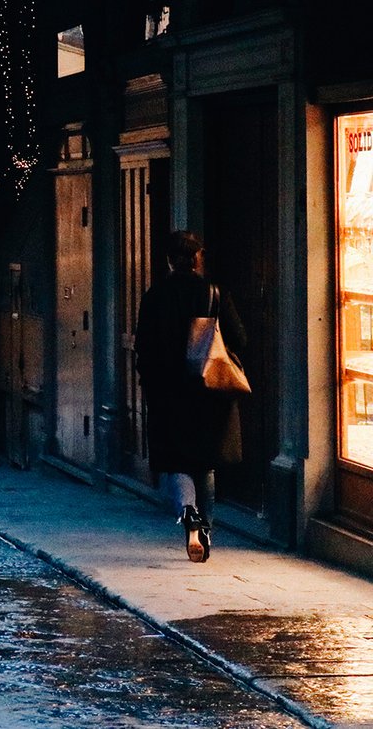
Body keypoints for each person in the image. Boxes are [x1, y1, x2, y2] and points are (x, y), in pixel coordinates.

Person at [134, 230, 247, 563]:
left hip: (168, 391)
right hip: (208, 390)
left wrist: (152, 378)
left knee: (175, 461)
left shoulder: (154, 296)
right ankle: (206, 528)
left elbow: (144, 346)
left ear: (169, 261)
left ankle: (187, 511)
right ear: (199, 257)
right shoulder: (214, 294)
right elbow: (239, 338)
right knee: (206, 464)